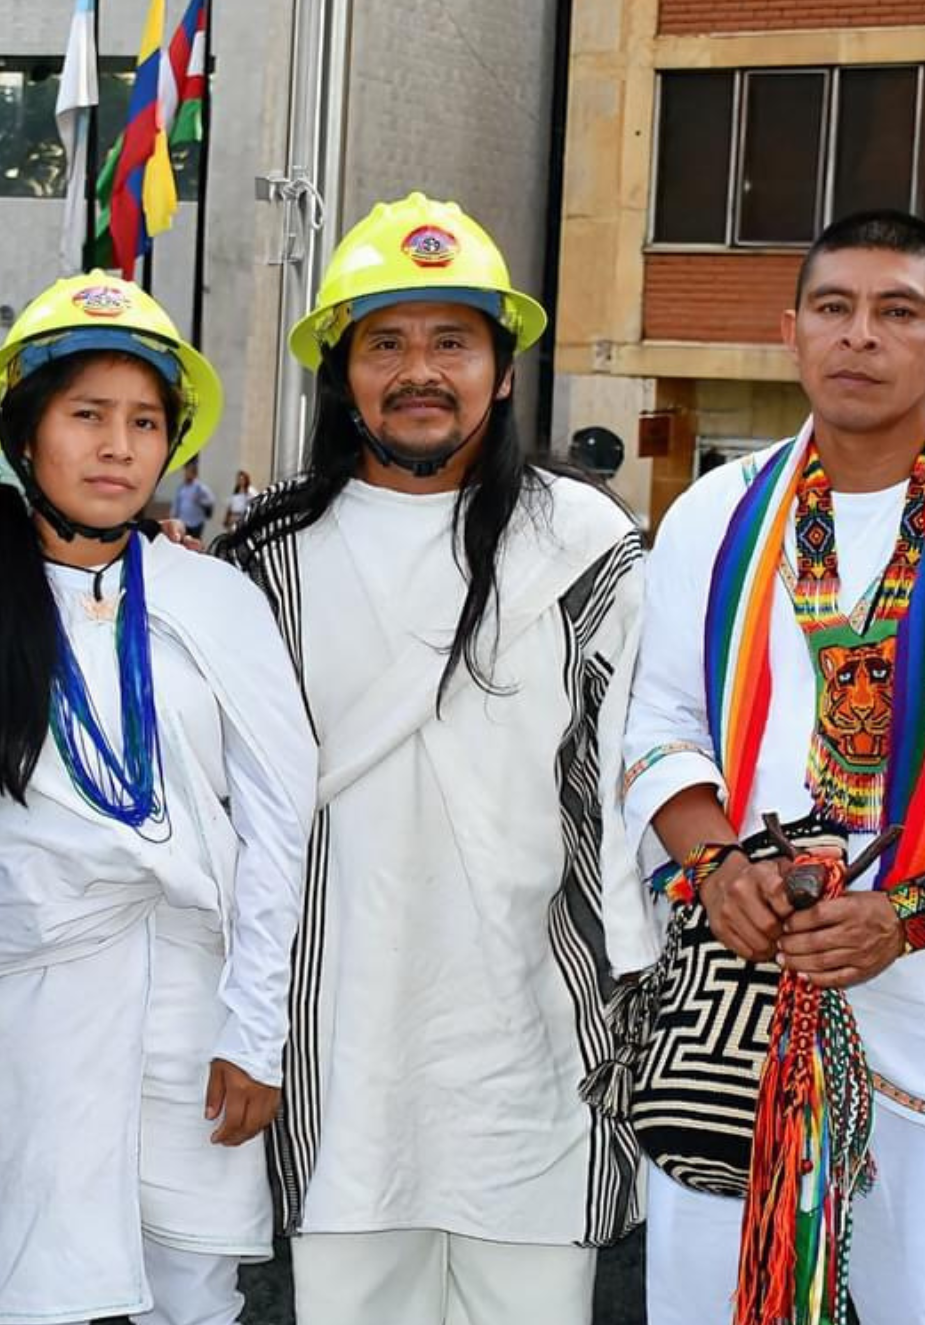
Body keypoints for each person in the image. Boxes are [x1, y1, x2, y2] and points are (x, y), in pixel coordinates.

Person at [617, 210, 925, 1325]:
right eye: (834, 309)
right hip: (737, 996)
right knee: (707, 1293)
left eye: (899, 311)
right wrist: (713, 867)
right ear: (791, 332)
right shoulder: (718, 510)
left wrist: (908, 911)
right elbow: (656, 720)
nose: (860, 336)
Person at [214, 193, 651, 1325]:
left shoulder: (584, 544)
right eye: (386, 343)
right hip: (337, 1053)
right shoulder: (265, 561)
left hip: (536, 1047)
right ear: (343, 373)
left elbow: (635, 784)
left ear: (502, 370)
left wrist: (634, 999)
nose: (420, 370)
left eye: (451, 340)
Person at [0, 273, 315, 1325]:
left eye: (144, 421)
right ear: (25, 436)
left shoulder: (219, 598)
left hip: (192, 1013)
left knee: (195, 1296)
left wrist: (256, 1029)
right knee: (33, 1298)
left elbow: (277, 822)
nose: (118, 446)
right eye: (87, 416)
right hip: (17, 1017)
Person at [170, 461, 215, 538]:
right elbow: (176, 503)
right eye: (185, 472)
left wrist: (200, 501)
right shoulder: (181, 487)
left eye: (188, 472)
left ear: (194, 473)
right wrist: (172, 515)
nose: (186, 474)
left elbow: (211, 500)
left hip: (196, 522)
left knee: (194, 543)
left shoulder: (200, 487)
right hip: (183, 521)